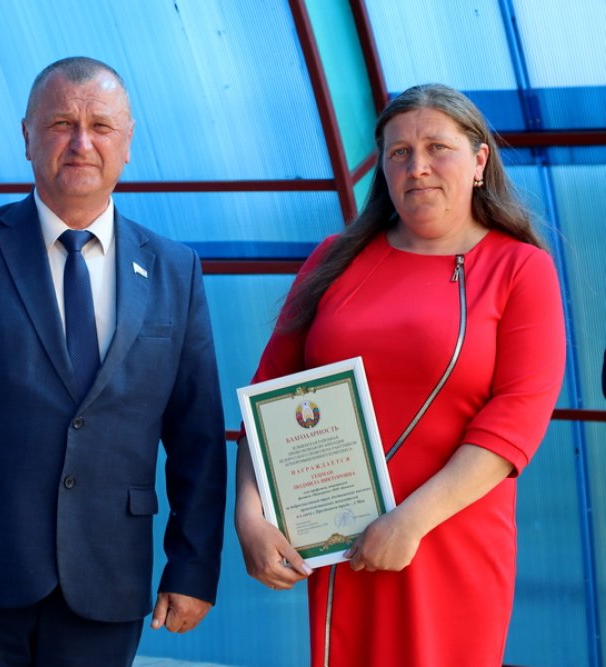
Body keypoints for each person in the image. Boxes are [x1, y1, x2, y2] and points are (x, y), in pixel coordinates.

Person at [0, 56, 227, 666]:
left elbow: (198, 438)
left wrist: (193, 566)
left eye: (101, 126)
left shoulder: (176, 270)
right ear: (27, 136)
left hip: (106, 579)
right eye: (61, 124)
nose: (81, 143)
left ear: (128, 142)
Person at [235, 84, 566, 666]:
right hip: (340, 541)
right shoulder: (334, 259)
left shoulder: (520, 269)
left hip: (448, 539)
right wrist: (249, 516)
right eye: (399, 153)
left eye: (437, 147)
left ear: (479, 160)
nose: (417, 167)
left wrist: (409, 523)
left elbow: (516, 421)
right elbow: (269, 397)